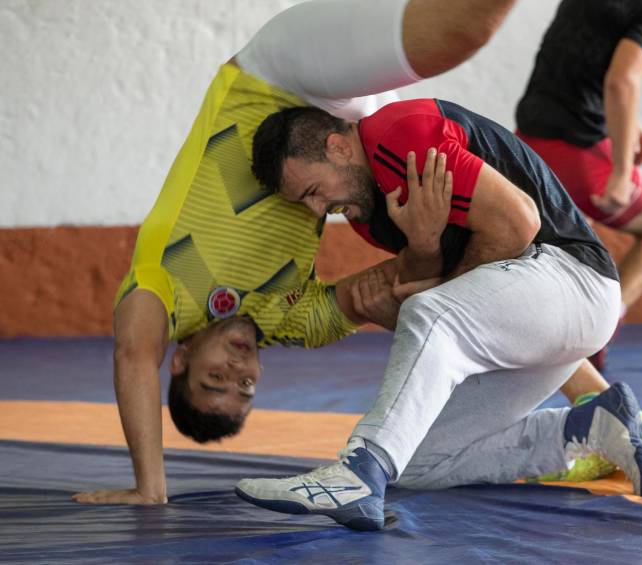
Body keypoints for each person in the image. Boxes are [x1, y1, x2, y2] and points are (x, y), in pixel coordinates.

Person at [72, 0, 522, 506]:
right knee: (482, 246)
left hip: (274, 82)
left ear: (180, 360)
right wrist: (414, 270)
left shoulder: (164, 293)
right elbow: (409, 286)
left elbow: (132, 355)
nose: (239, 371)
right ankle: (588, 394)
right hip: (341, 139)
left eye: (215, 377)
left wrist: (151, 490)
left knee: (459, 32)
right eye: (244, 388)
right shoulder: (295, 324)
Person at [234, 98, 642, 531]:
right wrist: (423, 253)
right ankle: (592, 426)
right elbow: (452, 283)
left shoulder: (399, 134)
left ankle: (360, 471)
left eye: (312, 191)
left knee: (431, 310)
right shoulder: (369, 211)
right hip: (542, 317)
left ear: (339, 148)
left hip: (575, 280)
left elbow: (518, 224)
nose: (315, 210)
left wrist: (425, 293)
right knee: (421, 462)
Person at [515, 0, 642, 369]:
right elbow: (621, 81)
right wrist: (621, 175)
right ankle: (600, 329)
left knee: (558, 241)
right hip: (574, 151)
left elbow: (576, 57)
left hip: (527, 143)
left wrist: (625, 124)